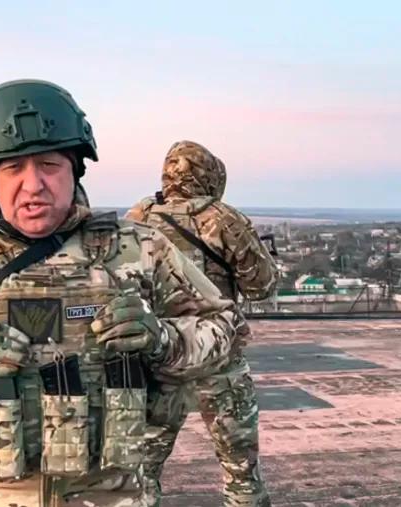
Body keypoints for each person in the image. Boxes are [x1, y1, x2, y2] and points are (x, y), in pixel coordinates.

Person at [0, 81, 251, 507]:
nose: (33, 184)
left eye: (49, 165)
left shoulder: (139, 250)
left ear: (76, 169)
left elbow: (225, 328)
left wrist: (162, 339)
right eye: (13, 168)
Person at [125, 140, 278, 507]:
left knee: (138, 479)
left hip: (158, 361)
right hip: (218, 360)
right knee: (241, 474)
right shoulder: (224, 219)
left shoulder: (138, 218)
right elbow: (261, 287)